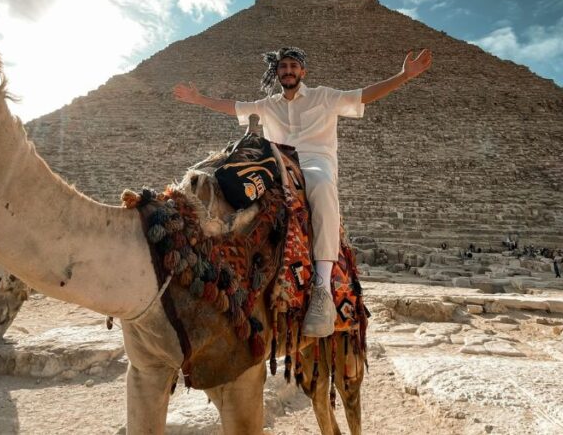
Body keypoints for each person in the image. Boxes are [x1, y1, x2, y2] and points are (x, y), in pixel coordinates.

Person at [174, 46, 432, 337]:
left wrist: (403, 76)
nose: (288, 71)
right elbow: (233, 106)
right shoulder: (268, 104)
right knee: (224, 182)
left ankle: (321, 287)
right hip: (276, 163)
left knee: (321, 187)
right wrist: (197, 99)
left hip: (314, 162)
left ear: (303, 71)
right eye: (283, 66)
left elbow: (362, 96)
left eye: (293, 66)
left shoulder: (324, 96)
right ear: (278, 72)